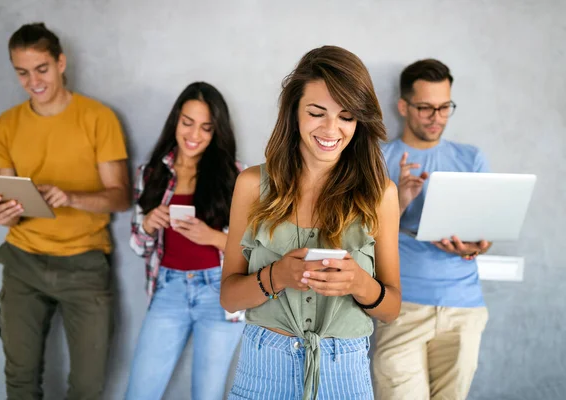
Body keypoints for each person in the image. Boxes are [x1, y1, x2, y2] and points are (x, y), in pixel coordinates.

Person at [220, 45, 401, 400]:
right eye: (317, 112)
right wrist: (278, 276)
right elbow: (229, 297)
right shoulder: (251, 185)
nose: (331, 129)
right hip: (263, 367)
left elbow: (391, 309)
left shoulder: (381, 194)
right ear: (294, 113)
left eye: (346, 117)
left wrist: (360, 283)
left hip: (344, 373)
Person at [0, 23, 130, 400]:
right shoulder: (7, 124)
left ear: (61, 62)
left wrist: (71, 197)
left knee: (87, 387)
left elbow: (121, 197)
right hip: (23, 261)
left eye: (42, 68)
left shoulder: (99, 118)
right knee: (19, 381)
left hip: (84, 265)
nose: (33, 80)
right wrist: (2, 212)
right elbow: (9, 197)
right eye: (22, 72)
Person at [372, 59, 492, 400]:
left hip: (464, 307)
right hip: (401, 307)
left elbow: (487, 231)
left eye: (444, 107)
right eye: (425, 107)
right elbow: (360, 234)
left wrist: (474, 246)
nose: (436, 117)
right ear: (403, 106)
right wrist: (402, 199)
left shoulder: (471, 158)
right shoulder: (380, 158)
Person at [125, 82, 245, 400]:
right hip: (168, 291)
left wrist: (213, 237)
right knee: (139, 393)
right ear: (176, 120)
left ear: (217, 131)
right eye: (187, 123)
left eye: (206, 127)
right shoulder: (150, 174)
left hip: (219, 294)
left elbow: (255, 250)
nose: (194, 135)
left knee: (207, 395)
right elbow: (138, 246)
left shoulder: (236, 176)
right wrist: (149, 225)